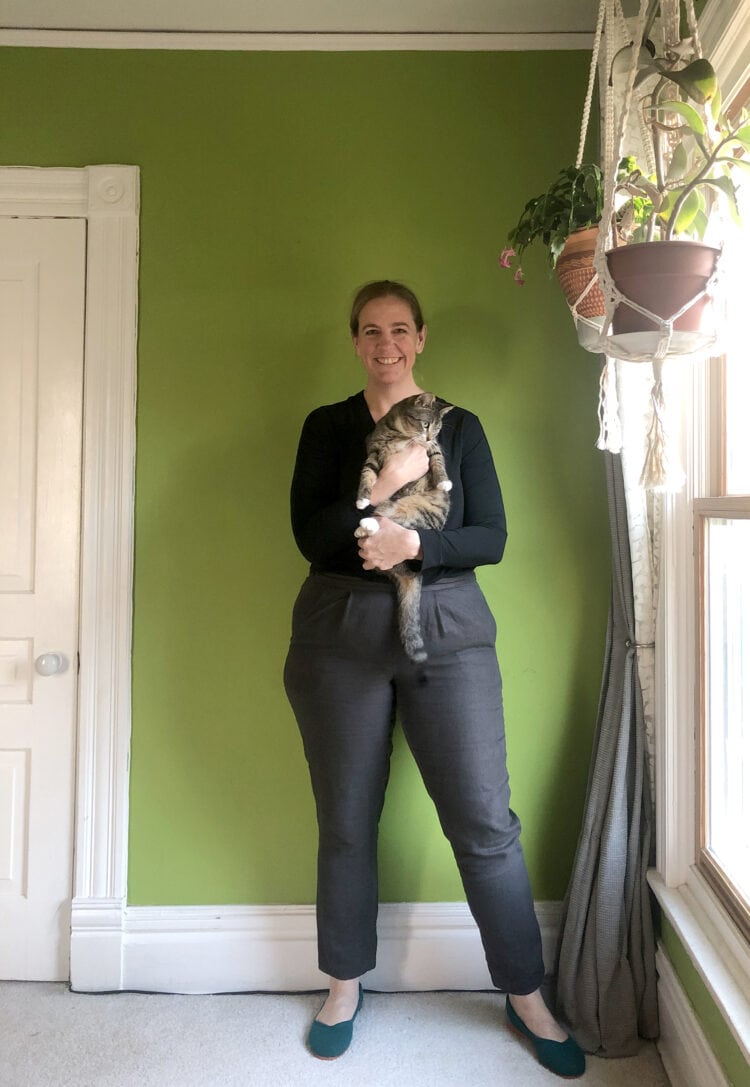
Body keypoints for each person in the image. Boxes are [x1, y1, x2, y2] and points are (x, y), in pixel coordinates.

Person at [283, 280, 585, 1078]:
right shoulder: (327, 426)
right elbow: (310, 536)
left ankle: (525, 992)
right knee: (346, 820)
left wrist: (412, 548)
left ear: (421, 337)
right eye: (371, 331)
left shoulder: (463, 426)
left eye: (400, 330)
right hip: (340, 631)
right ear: (354, 339)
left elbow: (490, 535)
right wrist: (377, 496)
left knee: (486, 822)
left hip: (448, 630)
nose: (387, 344)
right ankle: (344, 985)